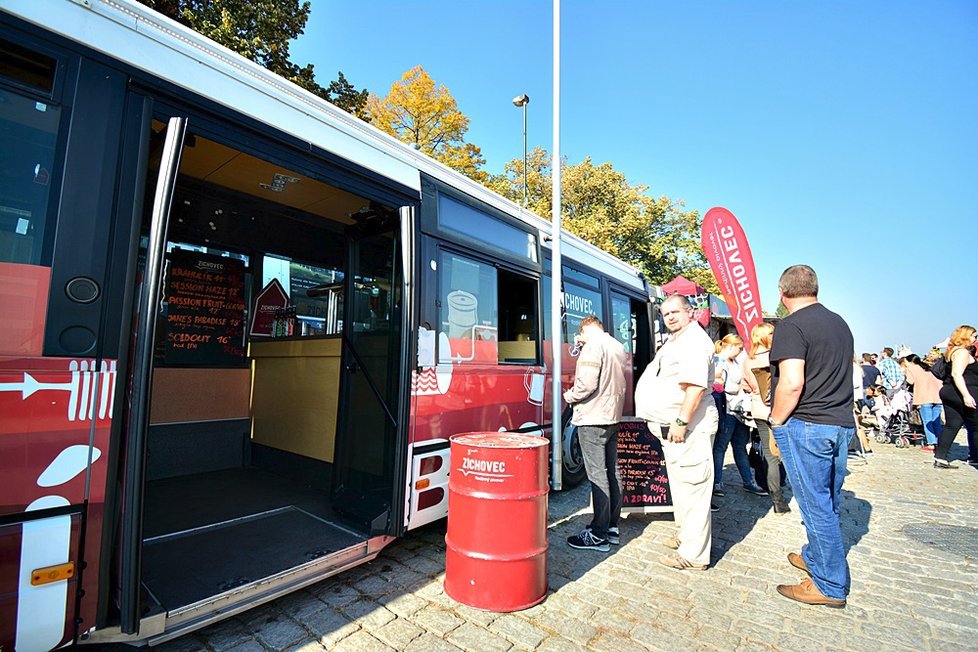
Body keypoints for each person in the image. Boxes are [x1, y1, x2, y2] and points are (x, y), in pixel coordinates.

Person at [768, 265, 854, 608]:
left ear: (782, 292)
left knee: (815, 506)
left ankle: (829, 585)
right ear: (815, 288)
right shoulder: (839, 323)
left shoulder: (791, 326)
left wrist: (776, 420)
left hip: (807, 424)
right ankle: (817, 558)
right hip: (839, 423)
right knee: (827, 502)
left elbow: (792, 382)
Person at [635, 295, 718, 570]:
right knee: (682, 488)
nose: (670, 317)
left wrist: (681, 423)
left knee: (694, 489)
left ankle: (694, 555)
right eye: (665, 313)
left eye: (675, 312)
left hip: (688, 428)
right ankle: (686, 537)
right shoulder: (677, 340)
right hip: (674, 429)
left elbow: (695, 387)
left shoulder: (694, 341)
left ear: (690, 312)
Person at [563, 315, 627, 551]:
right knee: (613, 472)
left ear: (584, 330)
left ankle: (598, 532)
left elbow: (587, 384)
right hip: (612, 416)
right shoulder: (617, 346)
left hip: (593, 417)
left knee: (597, 475)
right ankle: (611, 526)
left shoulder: (593, 346)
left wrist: (569, 396)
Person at [712, 335, 768, 498]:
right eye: (739, 348)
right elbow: (718, 384)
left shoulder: (735, 362)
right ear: (731, 346)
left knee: (740, 446)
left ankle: (748, 481)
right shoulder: (718, 361)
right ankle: (717, 482)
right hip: (727, 410)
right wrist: (737, 387)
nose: (741, 351)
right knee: (721, 447)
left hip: (740, 411)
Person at [743, 322, 790, 512]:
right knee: (780, 453)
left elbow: (745, 386)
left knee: (769, 453)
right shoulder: (775, 357)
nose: (773, 335)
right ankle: (778, 497)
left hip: (758, 409)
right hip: (779, 408)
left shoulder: (748, 359)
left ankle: (775, 495)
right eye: (770, 333)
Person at [933, 325, 978, 468]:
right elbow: (956, 374)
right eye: (974, 336)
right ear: (965, 336)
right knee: (976, 426)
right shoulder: (962, 353)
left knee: (952, 426)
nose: (975, 339)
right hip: (963, 392)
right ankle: (975, 458)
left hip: (950, 392)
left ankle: (940, 457)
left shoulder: (951, 351)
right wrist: (966, 395)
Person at [900, 353, 943, 451]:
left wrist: (905, 373)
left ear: (909, 362)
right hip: (937, 396)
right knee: (936, 421)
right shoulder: (928, 367)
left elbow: (910, 382)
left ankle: (931, 443)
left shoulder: (911, 369)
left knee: (927, 421)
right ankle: (940, 442)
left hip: (924, 397)